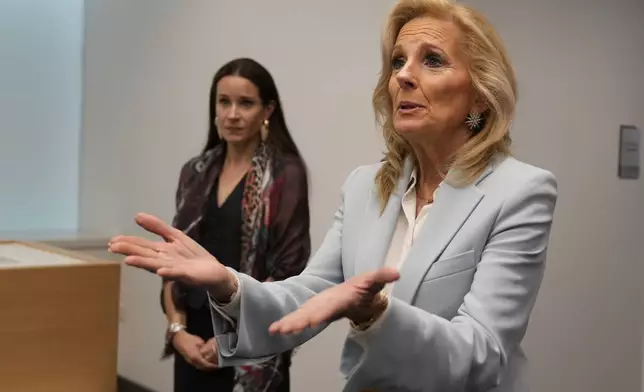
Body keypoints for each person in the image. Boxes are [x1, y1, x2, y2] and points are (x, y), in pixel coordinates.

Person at [110, 1, 558, 390]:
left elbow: (481, 353)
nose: (403, 75)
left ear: (480, 97)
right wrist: (228, 283)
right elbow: (310, 293)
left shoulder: (519, 191)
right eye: (398, 61)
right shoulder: (366, 186)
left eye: (432, 60)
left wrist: (375, 312)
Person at [114, 58, 311, 392]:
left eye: (246, 103)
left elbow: (287, 274)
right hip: (193, 336)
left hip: (252, 341)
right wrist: (177, 332)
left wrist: (234, 342)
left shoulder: (284, 175)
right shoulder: (195, 171)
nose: (232, 114)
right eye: (224, 102)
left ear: (268, 110)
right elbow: (174, 259)